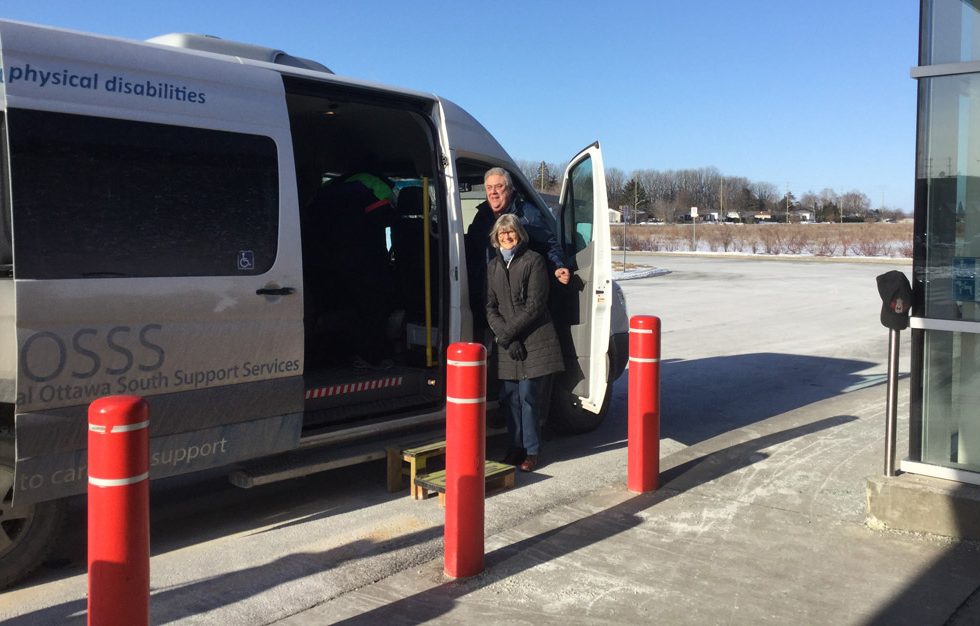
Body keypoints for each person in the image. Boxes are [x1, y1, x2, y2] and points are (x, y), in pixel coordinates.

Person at [486, 213, 564, 472]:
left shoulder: (534, 261)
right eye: (501, 234)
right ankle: (515, 447)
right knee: (510, 398)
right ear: (496, 239)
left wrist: (507, 335)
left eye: (511, 233)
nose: (507, 237)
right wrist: (506, 337)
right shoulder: (493, 266)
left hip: (533, 341)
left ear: (519, 234)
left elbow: (534, 306)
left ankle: (531, 451)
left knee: (528, 397)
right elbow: (490, 307)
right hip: (509, 343)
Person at [465, 168, 570, 333]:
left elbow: (549, 245)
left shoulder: (528, 215)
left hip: (518, 299)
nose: (493, 192)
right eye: (489, 188)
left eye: (498, 187)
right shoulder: (482, 216)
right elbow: (471, 251)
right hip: (488, 296)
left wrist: (557, 266)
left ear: (510, 188)